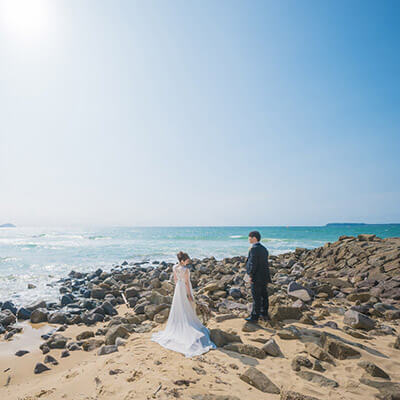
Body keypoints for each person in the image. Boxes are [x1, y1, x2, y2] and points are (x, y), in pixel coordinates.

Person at [151, 251, 216, 357]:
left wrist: (178, 288)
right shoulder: (186, 270)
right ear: (182, 261)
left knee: (179, 307)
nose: (188, 262)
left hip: (178, 288)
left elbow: (176, 280)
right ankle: (188, 323)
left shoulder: (174, 267)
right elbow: (186, 282)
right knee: (187, 306)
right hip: (185, 288)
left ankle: (180, 322)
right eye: (186, 260)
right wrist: (189, 294)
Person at [245, 230, 272, 322]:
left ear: (254, 238)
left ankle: (254, 317)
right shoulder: (264, 249)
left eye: (249, 237)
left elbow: (253, 264)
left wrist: (251, 275)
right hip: (264, 276)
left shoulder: (253, 249)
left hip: (256, 277)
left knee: (256, 297)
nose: (248, 239)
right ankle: (264, 314)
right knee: (264, 295)